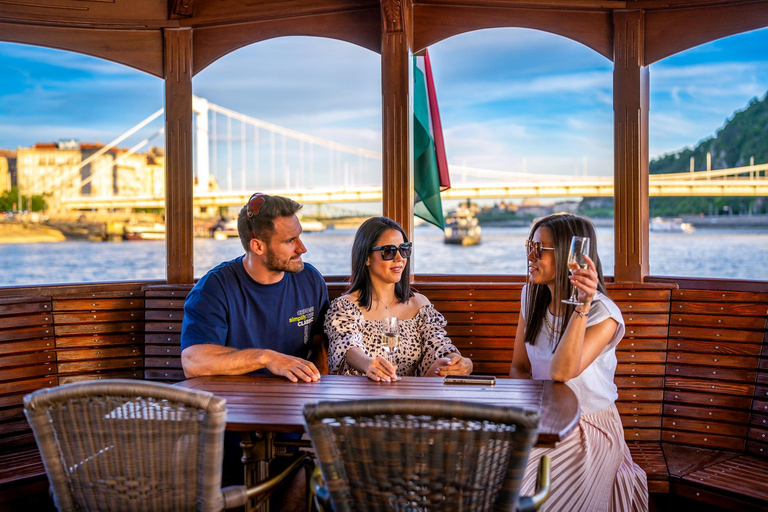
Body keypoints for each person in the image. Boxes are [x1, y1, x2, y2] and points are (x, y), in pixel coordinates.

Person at [509, 213, 648, 512]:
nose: (531, 256)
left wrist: (581, 306)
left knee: (522, 482)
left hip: (590, 427)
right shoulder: (530, 296)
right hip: (543, 421)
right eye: (529, 246)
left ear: (574, 258)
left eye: (540, 249)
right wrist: (530, 417)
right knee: (487, 465)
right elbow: (519, 367)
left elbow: (561, 372)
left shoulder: (603, 313)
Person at [181, 193, 329, 382]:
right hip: (233, 404)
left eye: (299, 236)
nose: (302, 248)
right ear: (258, 246)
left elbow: (320, 345)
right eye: (289, 241)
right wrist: (266, 358)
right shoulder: (213, 288)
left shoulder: (310, 279)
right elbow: (193, 362)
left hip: (297, 400)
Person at [325, 216, 472, 381]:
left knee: (445, 364)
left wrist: (460, 362)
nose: (399, 258)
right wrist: (369, 365)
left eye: (404, 249)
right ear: (366, 257)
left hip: (414, 397)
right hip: (365, 396)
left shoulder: (419, 305)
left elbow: (438, 345)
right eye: (388, 251)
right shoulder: (346, 307)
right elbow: (347, 346)